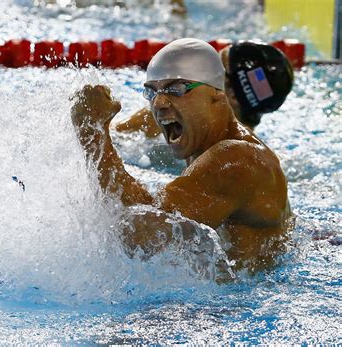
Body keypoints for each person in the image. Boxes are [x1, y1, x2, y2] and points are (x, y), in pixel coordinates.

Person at [71, 38, 291, 273]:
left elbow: (141, 236)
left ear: (220, 94)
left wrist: (92, 135)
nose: (158, 102)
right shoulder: (197, 130)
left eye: (176, 88)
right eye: (151, 91)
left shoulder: (234, 160)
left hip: (232, 305)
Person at [114, 41, 294, 135]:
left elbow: (114, 138)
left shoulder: (169, 114)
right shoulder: (260, 159)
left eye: (213, 67)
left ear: (230, 92)